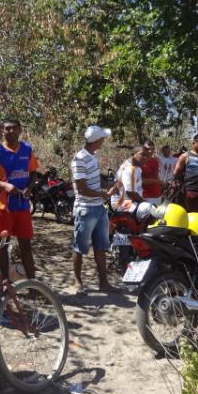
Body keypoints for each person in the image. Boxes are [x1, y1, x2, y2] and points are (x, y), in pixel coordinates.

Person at [0, 118, 38, 279]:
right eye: (7, 128)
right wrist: (3, 185)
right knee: (3, 246)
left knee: (26, 247)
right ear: (3, 131)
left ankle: (33, 286)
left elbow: (34, 172)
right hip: (4, 206)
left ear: (20, 130)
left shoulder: (27, 149)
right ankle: (5, 287)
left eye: (14, 128)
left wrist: (29, 187)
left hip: (22, 206)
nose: (11, 131)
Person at [71, 125, 120, 294]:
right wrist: (104, 193)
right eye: (102, 138)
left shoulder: (93, 156)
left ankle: (103, 283)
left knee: (101, 246)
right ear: (97, 140)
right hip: (85, 209)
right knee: (80, 247)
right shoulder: (79, 159)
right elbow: (82, 188)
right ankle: (78, 282)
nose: (104, 141)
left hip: (98, 208)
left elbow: (94, 180)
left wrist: (109, 185)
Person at [111, 144, 149, 212]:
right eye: (142, 154)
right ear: (133, 154)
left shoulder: (137, 167)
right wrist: (145, 203)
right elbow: (131, 193)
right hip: (122, 204)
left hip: (131, 201)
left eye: (147, 156)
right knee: (151, 212)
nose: (145, 158)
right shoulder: (129, 169)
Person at [141, 140, 163, 205]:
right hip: (145, 196)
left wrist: (161, 184)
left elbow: (156, 176)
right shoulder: (139, 161)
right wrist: (156, 181)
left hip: (157, 194)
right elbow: (139, 180)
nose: (150, 151)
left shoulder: (155, 161)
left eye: (152, 149)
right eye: (148, 149)